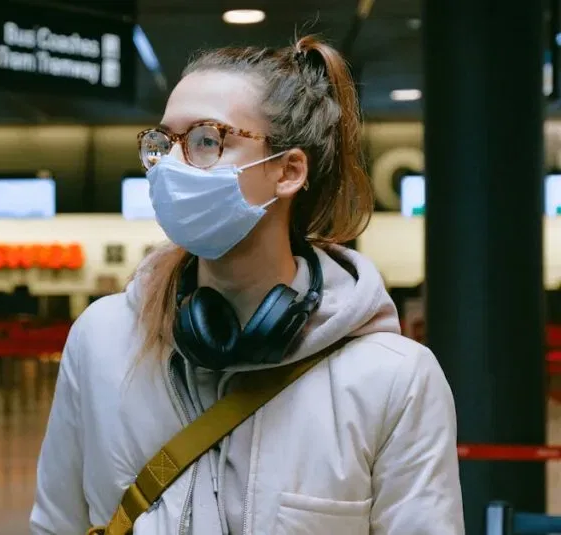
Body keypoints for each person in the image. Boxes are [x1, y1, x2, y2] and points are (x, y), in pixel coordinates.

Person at [30, 35, 464, 534]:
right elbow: (56, 524)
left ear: (288, 171)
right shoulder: (102, 339)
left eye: (206, 140)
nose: (172, 166)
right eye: (163, 142)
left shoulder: (392, 378)